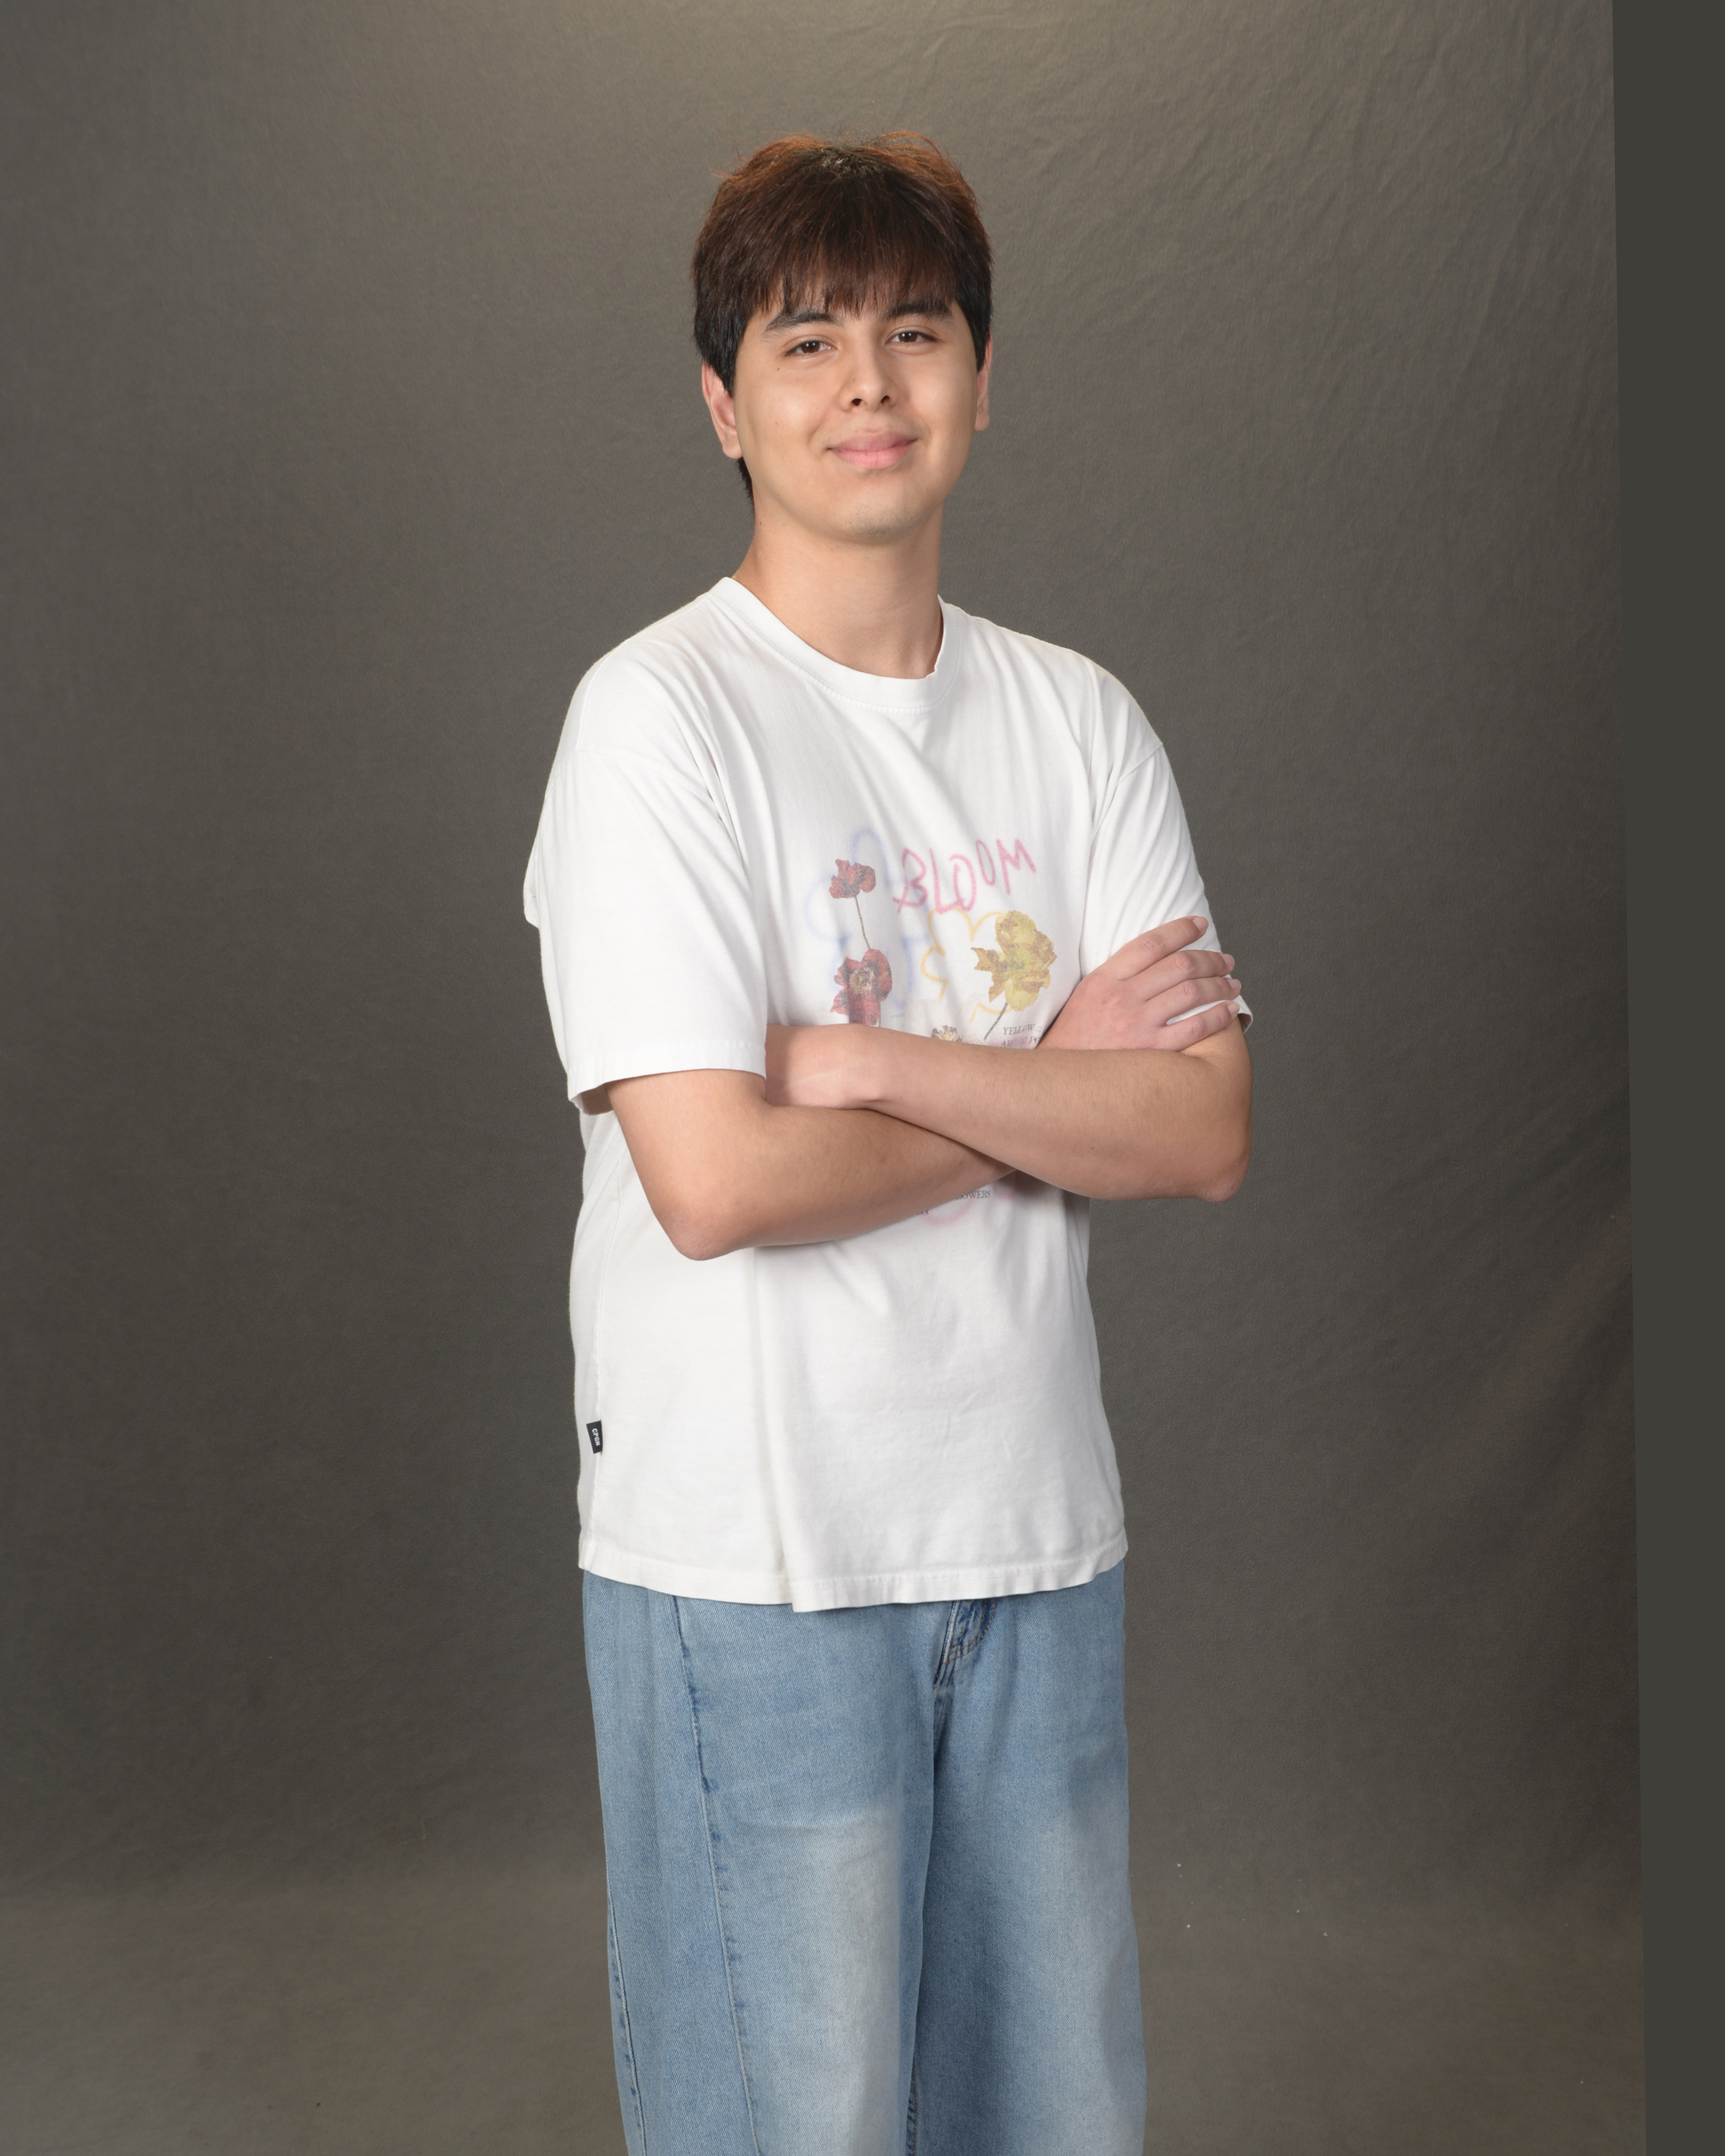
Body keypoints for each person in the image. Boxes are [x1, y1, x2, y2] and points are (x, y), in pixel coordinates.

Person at [524, 132, 1251, 2156]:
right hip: (756, 1558)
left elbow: (1199, 1126)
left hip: (1034, 1543)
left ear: (982, 379)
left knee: (1057, 2122)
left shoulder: (1082, 724)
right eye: (806, 340)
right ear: (723, 404)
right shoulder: (656, 721)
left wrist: (856, 1063)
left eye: (916, 333)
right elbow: (717, 1182)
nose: (868, 384)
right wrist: (1042, 1086)